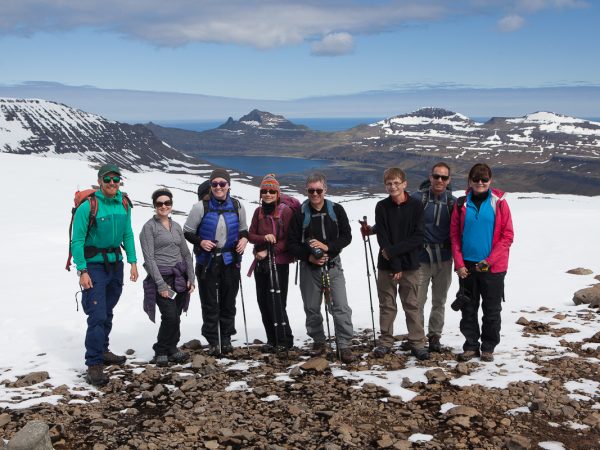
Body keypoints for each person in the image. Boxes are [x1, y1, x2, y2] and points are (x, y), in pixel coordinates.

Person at [71, 163, 138, 386]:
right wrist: (82, 270)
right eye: (107, 179)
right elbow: (77, 241)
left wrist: (133, 262)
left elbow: (127, 233)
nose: (112, 183)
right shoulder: (88, 206)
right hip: (94, 266)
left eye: (115, 179)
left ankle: (103, 349)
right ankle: (94, 364)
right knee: (97, 314)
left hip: (115, 264)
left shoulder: (124, 203)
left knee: (107, 310)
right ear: (99, 181)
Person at [287, 173, 356, 363]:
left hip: (333, 265)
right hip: (310, 268)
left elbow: (347, 236)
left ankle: (344, 344)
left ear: (325, 189)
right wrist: (309, 256)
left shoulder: (336, 210)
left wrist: (328, 248)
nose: (315, 194)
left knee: (340, 305)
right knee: (311, 307)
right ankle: (318, 341)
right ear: (306, 191)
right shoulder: (300, 214)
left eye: (318, 190)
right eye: (311, 191)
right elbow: (291, 243)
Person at [450, 163, 514, 362]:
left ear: (490, 180)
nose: (480, 182)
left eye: (484, 179)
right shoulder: (461, 204)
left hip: (493, 268)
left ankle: (488, 347)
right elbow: (454, 236)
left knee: (492, 309)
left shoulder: (499, 203)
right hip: (467, 267)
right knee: (468, 308)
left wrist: (489, 261)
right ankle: (471, 345)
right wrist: (459, 264)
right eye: (476, 179)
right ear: (469, 181)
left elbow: (507, 236)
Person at [183, 169, 248, 356]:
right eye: (215, 184)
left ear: (228, 185)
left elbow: (243, 229)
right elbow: (187, 231)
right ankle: (213, 340)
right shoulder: (199, 207)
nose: (218, 187)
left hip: (230, 260)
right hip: (207, 261)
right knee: (210, 302)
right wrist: (200, 242)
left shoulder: (237, 206)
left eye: (222, 183)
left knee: (229, 301)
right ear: (210, 186)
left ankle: (226, 338)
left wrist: (244, 239)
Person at [372, 167, 428, 360]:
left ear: (405, 184)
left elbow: (418, 237)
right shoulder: (382, 207)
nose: (392, 186)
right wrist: (395, 264)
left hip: (410, 265)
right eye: (389, 183)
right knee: (387, 305)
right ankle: (386, 341)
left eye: (396, 183)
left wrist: (397, 259)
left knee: (412, 304)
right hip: (387, 265)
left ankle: (418, 343)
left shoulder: (416, 206)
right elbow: (383, 238)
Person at [140, 188, 195, 366]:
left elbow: (186, 254)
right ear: (154, 206)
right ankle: (161, 350)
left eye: (167, 203)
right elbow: (149, 259)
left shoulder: (176, 226)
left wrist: (191, 278)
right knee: (169, 316)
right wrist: (161, 285)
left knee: (176, 314)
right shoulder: (149, 228)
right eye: (159, 203)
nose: (164, 206)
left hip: (180, 277)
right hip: (162, 278)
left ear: (171, 205)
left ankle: (172, 348)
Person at [411, 163, 456, 353]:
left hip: (445, 259)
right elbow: (401, 220)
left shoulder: (453, 203)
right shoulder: (417, 199)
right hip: (421, 258)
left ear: (448, 180)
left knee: (439, 300)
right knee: (417, 301)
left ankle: (435, 335)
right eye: (436, 176)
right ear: (430, 177)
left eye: (443, 178)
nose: (439, 180)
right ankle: (418, 336)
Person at [248, 174, 294, 352]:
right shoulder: (258, 212)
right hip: (261, 263)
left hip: (279, 263)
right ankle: (272, 340)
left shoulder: (285, 212)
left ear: (277, 193)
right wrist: (263, 239)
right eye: (264, 191)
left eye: (271, 191)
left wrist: (269, 250)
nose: (267, 194)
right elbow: (251, 235)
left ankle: (285, 340)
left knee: (277, 301)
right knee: (263, 301)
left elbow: (289, 239)